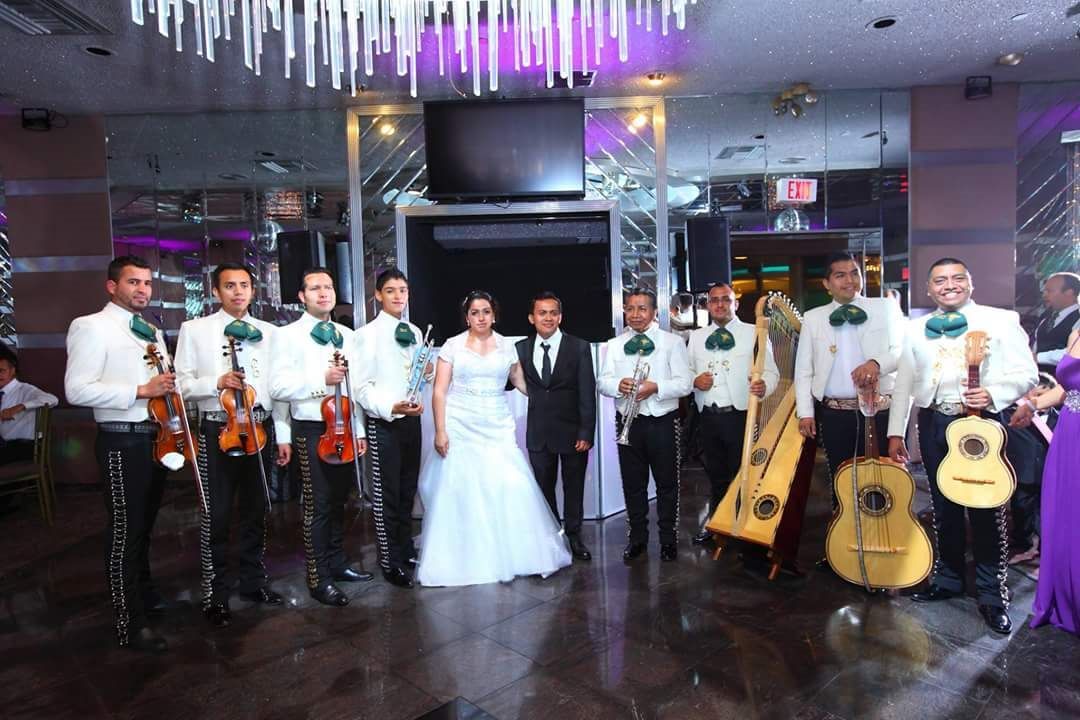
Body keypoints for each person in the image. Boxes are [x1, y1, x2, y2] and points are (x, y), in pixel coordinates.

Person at [888, 257, 1038, 635]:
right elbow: (904, 384)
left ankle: (991, 594)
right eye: (940, 280)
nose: (949, 285)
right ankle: (948, 579)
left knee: (986, 507)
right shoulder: (915, 328)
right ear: (928, 289)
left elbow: (1027, 374)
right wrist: (894, 433)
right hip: (934, 422)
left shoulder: (1000, 320)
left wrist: (994, 392)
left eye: (957, 278)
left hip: (981, 423)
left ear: (971, 283)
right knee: (943, 507)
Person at [416, 290, 571, 587]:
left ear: (494, 315)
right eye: (475, 313)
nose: (481, 317)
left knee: (509, 483)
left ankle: (515, 553)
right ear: (467, 317)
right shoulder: (452, 346)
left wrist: (550, 399)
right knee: (463, 488)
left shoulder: (507, 346)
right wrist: (440, 430)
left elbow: (520, 381)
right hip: (461, 424)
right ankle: (466, 555)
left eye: (486, 312)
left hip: (497, 423)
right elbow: (439, 391)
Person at [64, 255, 175, 653]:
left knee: (144, 527)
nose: (142, 289)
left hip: (156, 438)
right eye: (133, 282)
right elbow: (76, 390)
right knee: (125, 532)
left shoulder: (151, 330)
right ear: (112, 286)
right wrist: (141, 391)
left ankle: (144, 595)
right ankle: (129, 621)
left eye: (147, 282)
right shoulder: (91, 326)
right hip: (120, 438)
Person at [174, 263, 292, 628]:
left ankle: (254, 583)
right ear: (215, 291)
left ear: (253, 290)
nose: (238, 292)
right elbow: (180, 385)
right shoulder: (194, 330)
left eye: (244, 285)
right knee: (218, 514)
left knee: (257, 510)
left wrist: (282, 433)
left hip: (260, 428)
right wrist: (217, 381)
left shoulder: (271, 333)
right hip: (217, 429)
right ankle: (215, 594)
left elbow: (278, 388)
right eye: (229, 286)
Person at [269, 267, 373, 607]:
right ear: (302, 296)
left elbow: (355, 389)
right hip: (312, 428)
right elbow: (277, 388)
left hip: (345, 426)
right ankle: (318, 578)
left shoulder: (347, 335)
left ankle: (338, 564)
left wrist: (359, 430)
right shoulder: (286, 335)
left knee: (340, 500)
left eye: (328, 287)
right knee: (318, 505)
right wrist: (321, 379)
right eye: (315, 288)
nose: (324, 293)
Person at [794, 252, 904, 572]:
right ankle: (842, 550)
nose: (849, 280)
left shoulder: (884, 308)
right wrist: (805, 412)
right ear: (827, 284)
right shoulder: (813, 318)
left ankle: (881, 548)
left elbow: (902, 351)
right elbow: (804, 370)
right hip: (835, 413)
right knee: (841, 482)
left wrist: (876, 363)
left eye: (854, 273)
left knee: (881, 482)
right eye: (840, 275)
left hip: (878, 412)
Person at [598, 288, 692, 562]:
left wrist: (655, 387)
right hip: (629, 423)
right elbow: (602, 382)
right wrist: (619, 384)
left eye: (642, 308)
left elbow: (685, 384)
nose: (635, 314)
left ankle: (668, 539)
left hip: (663, 422)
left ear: (654, 312)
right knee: (633, 485)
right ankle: (637, 538)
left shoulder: (672, 342)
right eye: (630, 308)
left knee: (667, 484)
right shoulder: (615, 344)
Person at [352, 268, 428, 589]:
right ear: (378, 295)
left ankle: (405, 549)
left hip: (411, 421)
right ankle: (389, 560)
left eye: (403, 290)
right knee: (387, 495)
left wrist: (424, 380)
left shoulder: (414, 331)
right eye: (391, 291)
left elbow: (415, 377)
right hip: (384, 421)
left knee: (408, 490)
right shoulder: (365, 335)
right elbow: (360, 388)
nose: (398, 296)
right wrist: (391, 407)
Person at [687, 284, 777, 545]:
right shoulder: (696, 337)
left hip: (740, 416)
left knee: (742, 475)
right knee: (715, 476)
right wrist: (694, 381)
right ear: (708, 305)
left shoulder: (755, 332)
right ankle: (717, 527)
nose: (719, 305)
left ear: (735, 304)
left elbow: (771, 372)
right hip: (708, 416)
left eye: (725, 300)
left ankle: (742, 528)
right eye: (714, 300)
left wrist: (765, 386)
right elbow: (686, 371)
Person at [514, 291, 597, 562]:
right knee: (542, 489)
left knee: (574, 488)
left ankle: (574, 536)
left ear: (560, 317)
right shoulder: (520, 349)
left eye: (553, 313)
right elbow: (506, 381)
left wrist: (586, 431)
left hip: (573, 432)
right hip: (539, 433)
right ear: (532, 318)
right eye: (542, 313)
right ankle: (549, 538)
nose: (547, 318)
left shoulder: (579, 347)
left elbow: (587, 392)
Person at [1014, 329, 1080, 636]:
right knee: (1065, 516)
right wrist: (1031, 405)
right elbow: (1068, 389)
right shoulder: (1076, 332)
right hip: (1069, 434)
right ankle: (1068, 596)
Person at [0, 347, 58, 465]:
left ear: (12, 371)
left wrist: (20, 407)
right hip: (4, 446)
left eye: (1, 370)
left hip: (24, 446)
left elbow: (52, 399)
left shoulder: (26, 390)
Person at [1032, 272, 1080, 376]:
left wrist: (1038, 357)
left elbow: (1075, 352)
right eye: (1044, 291)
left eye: (1049, 291)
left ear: (1069, 292)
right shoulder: (1045, 318)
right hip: (1041, 380)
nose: (1044, 295)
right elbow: (1036, 346)